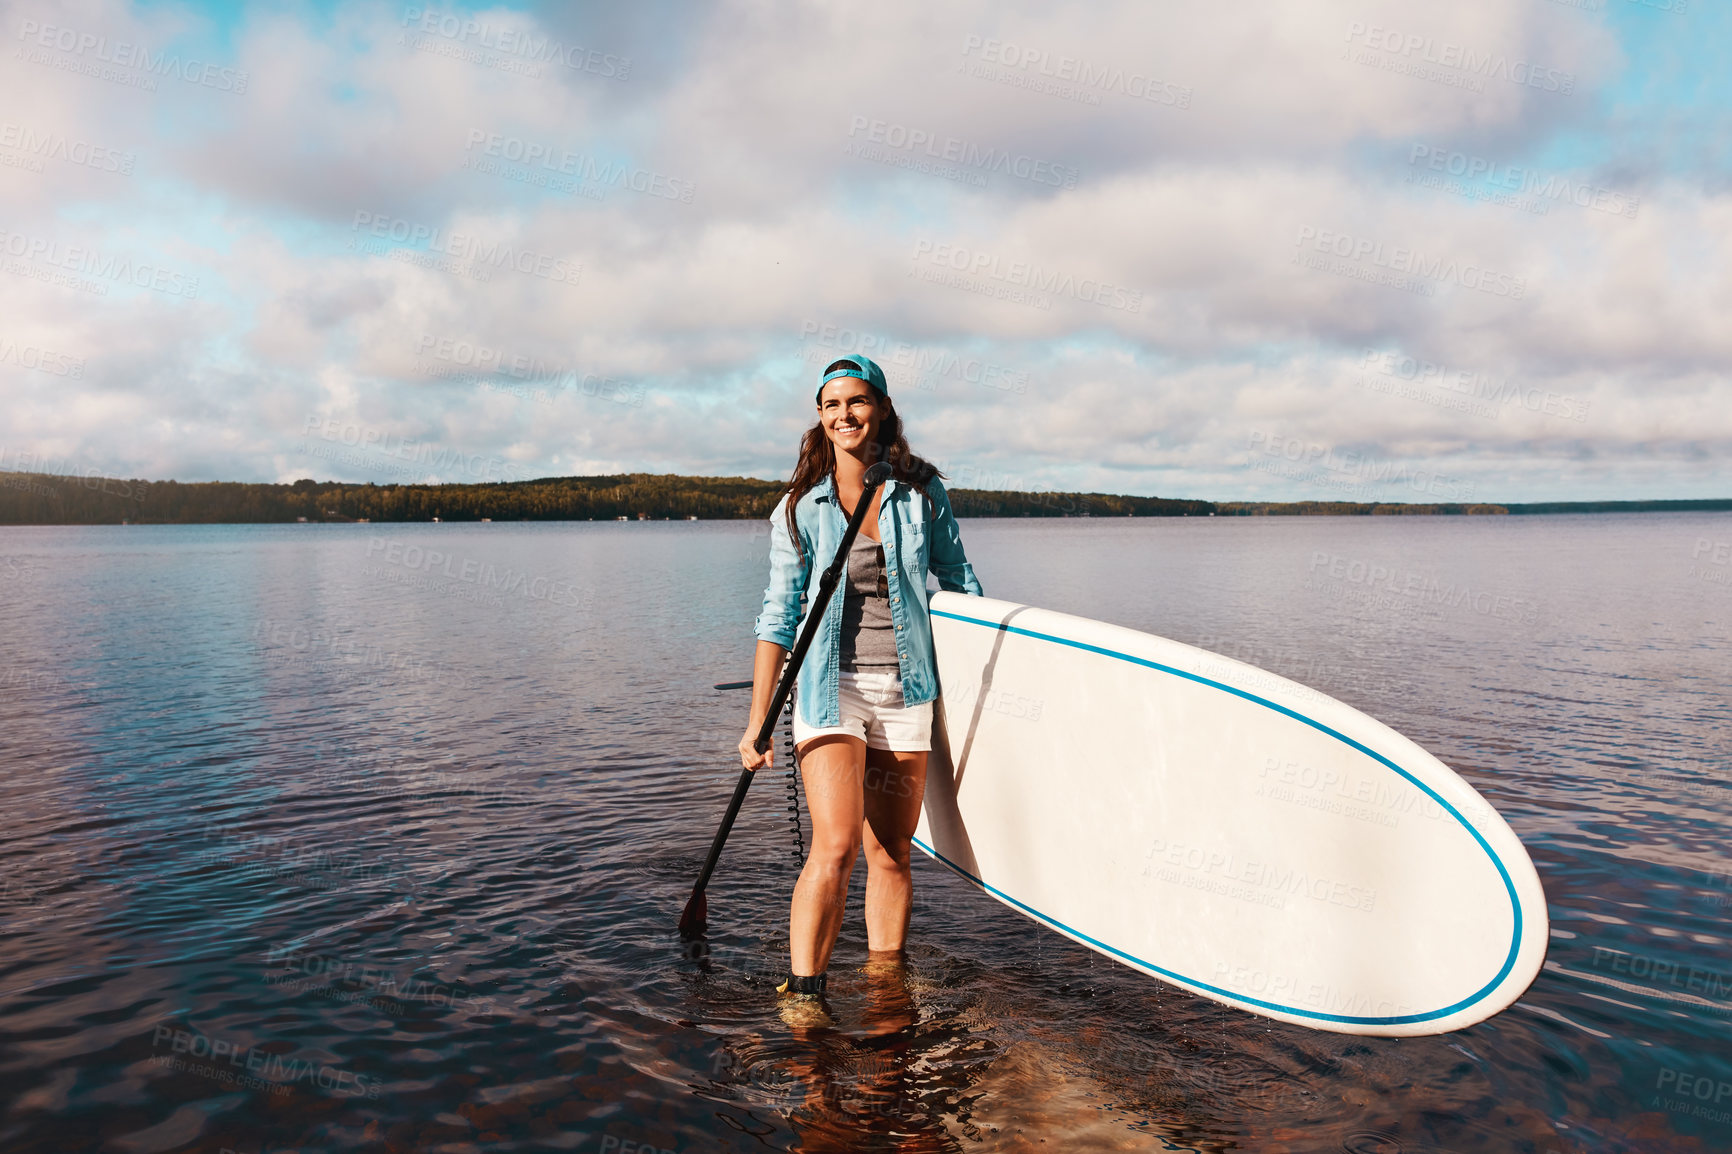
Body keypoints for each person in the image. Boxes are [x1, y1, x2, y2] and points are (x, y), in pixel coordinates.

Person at [743, 352, 983, 1005]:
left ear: (879, 408)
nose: (844, 415)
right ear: (820, 419)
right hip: (828, 690)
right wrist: (757, 719)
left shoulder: (922, 493)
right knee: (839, 844)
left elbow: (961, 585)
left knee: (891, 853)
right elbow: (777, 616)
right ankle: (804, 993)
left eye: (855, 401)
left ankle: (883, 989)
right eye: (830, 405)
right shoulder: (800, 508)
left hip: (907, 691)